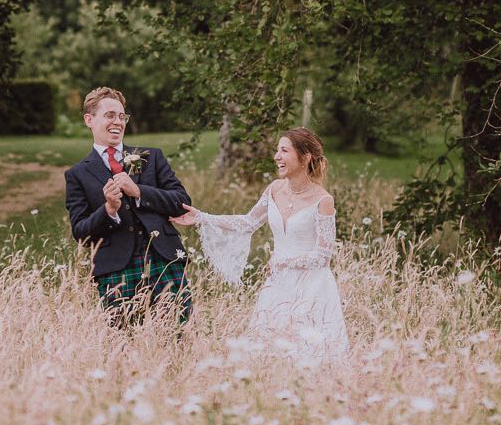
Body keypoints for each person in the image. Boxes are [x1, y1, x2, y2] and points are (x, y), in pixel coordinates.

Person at [179, 127, 347, 364]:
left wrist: (283, 260)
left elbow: (322, 256)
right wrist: (202, 217)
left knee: (309, 355)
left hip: (313, 288)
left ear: (305, 157)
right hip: (279, 285)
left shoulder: (323, 200)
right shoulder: (274, 190)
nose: (277, 156)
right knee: (269, 352)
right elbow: (247, 223)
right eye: (277, 150)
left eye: (284, 150)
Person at [64, 86, 195, 326]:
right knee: (124, 346)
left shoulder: (151, 157)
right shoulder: (78, 174)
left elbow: (182, 202)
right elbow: (80, 232)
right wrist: (109, 210)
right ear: (89, 120)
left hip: (163, 260)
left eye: (122, 116)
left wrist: (139, 192)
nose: (118, 122)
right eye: (110, 115)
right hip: (116, 270)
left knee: (177, 337)